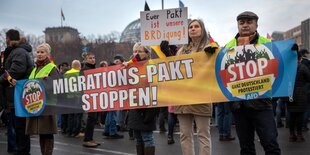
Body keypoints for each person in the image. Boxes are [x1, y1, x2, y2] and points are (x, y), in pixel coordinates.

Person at [226, 11, 281, 154]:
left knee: (271, 144)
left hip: (262, 103)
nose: (245, 25)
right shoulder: (228, 47)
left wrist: (291, 54)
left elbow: (280, 68)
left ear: (256, 24)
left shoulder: (268, 44)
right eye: (241, 22)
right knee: (246, 148)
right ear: (238, 25)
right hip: (239, 105)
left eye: (249, 22)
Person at [174, 19, 214, 155]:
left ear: (202, 29)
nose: (193, 28)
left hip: (201, 97)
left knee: (203, 135)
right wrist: (166, 55)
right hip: (182, 99)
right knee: (185, 135)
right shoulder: (180, 51)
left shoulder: (211, 46)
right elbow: (173, 71)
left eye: (196, 26)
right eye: (190, 26)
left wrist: (212, 54)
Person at [0, 29, 33, 155]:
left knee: (20, 128)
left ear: (8, 38)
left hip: (18, 96)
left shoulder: (18, 52)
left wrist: (1, 79)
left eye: (6, 38)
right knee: (18, 128)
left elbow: (16, 71)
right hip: (15, 96)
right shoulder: (16, 51)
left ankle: (23, 152)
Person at [25, 43, 59, 155]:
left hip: (48, 105)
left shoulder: (52, 68)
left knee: (47, 133)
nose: (39, 54)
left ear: (48, 54)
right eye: (38, 52)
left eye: (42, 52)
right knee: (41, 132)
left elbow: (57, 86)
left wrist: (48, 81)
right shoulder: (35, 69)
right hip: (36, 105)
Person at [126, 42, 157, 155]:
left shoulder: (152, 65)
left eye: (139, 51)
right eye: (134, 51)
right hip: (135, 105)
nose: (136, 54)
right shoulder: (130, 66)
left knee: (147, 137)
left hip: (147, 107)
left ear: (147, 53)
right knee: (138, 138)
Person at [287, 51, 310, 142]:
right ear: (300, 58)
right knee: (300, 115)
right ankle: (300, 134)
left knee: (291, 115)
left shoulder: (287, 68)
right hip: (301, 94)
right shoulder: (303, 67)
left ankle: (292, 134)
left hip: (290, 93)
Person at [82, 52, 101, 147]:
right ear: (86, 60)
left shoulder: (93, 69)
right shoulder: (85, 69)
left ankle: (90, 138)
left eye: (94, 57)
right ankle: (87, 139)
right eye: (90, 58)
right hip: (89, 98)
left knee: (93, 119)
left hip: (95, 97)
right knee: (91, 118)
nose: (93, 59)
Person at [64, 60, 84, 138]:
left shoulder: (66, 73)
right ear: (79, 66)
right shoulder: (79, 74)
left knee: (70, 115)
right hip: (77, 96)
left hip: (69, 96)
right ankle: (76, 132)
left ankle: (69, 131)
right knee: (78, 115)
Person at [300, 49, 310, 131]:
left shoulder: (295, 63)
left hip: (297, 88)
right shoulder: (307, 62)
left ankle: (291, 125)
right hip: (306, 87)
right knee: (307, 107)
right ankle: (304, 125)